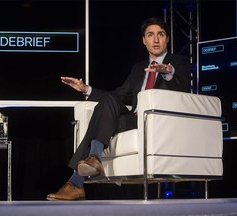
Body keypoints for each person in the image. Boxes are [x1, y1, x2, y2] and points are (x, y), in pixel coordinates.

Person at [46, 17, 191, 201]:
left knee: (100, 119)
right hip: (134, 119)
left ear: (167, 39)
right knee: (109, 99)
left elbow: (185, 86)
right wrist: (86, 90)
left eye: (161, 35)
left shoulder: (179, 62)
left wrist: (168, 73)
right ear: (143, 40)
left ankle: (77, 181)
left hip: (158, 121)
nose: (156, 40)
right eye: (150, 35)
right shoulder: (138, 68)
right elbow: (119, 95)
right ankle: (91, 162)